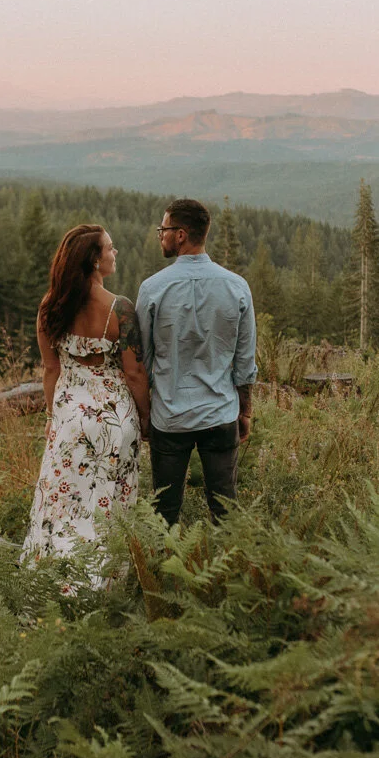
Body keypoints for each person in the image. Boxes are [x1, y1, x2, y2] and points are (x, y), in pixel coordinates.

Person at [21, 224, 151, 589]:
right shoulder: (119, 308)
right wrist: (145, 420)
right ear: (95, 260)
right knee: (108, 507)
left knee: (63, 508)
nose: (115, 253)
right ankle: (102, 589)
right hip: (114, 421)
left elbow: (51, 368)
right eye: (110, 248)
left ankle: (56, 586)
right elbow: (136, 373)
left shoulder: (50, 307)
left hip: (69, 419)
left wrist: (52, 417)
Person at [136, 198, 256, 526]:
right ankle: (227, 573)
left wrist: (145, 415)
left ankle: (163, 574)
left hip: (169, 417)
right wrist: (244, 411)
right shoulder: (237, 287)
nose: (160, 234)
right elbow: (245, 362)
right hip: (220, 414)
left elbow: (141, 361)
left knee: (165, 513)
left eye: (164, 229)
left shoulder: (152, 289)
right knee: (225, 511)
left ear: (181, 235)